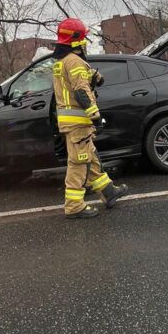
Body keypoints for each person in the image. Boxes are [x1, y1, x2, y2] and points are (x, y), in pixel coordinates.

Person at [52, 18, 127, 218]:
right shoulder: (74, 61)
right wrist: (95, 115)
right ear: (76, 40)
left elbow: (77, 81)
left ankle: (107, 191)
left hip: (73, 122)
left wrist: (93, 75)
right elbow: (81, 92)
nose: (85, 42)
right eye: (83, 38)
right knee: (78, 163)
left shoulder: (62, 61)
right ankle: (74, 206)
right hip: (78, 122)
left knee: (90, 157)